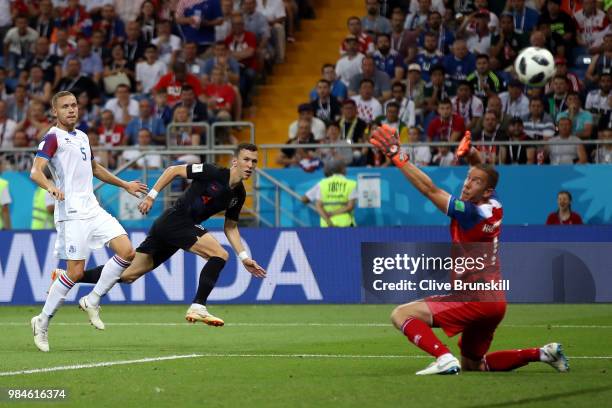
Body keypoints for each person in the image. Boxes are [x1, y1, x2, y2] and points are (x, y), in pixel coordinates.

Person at [369, 125, 569, 375]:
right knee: (474, 365)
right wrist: (472, 154)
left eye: (474, 182)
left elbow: (429, 190)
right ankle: (543, 353)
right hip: (495, 303)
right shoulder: (494, 204)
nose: (467, 185)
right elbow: (486, 175)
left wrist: (398, 155)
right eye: (467, 178)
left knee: (400, 314)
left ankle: (443, 357)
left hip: (473, 298)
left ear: (485, 191)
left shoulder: (471, 213)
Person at [58, 144, 267, 327]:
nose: (250, 165)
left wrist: (244, 257)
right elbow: (173, 170)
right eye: (246, 159)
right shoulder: (212, 172)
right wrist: (151, 196)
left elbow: (230, 227)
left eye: (254, 161)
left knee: (128, 275)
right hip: (176, 220)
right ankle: (198, 306)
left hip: (177, 228)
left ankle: (69, 277)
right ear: (235, 161)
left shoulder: (238, 194)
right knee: (220, 255)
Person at [30, 91, 148, 352]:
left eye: (74, 105)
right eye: (65, 107)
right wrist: (50, 187)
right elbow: (35, 171)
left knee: (128, 251)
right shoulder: (52, 138)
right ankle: (42, 321)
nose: (71, 110)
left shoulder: (82, 136)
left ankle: (93, 299)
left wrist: (124, 184)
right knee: (75, 272)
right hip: (71, 213)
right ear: (55, 112)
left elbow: (95, 168)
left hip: (92, 209)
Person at [313, 159, 357, 227]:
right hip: (346, 224)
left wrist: (329, 222)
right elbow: (350, 206)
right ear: (342, 169)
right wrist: (333, 213)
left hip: (326, 225)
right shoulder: (351, 184)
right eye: (345, 167)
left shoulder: (322, 184)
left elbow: (318, 206)